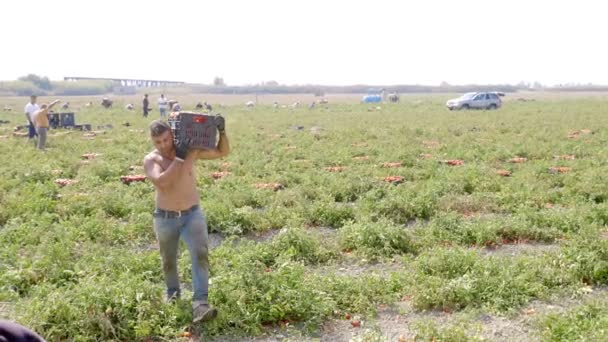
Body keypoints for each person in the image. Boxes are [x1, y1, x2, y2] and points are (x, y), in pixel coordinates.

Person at [143, 116, 230, 323]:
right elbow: (162, 183)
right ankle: (173, 295)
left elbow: (222, 151)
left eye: (166, 139)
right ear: (153, 141)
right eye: (158, 142)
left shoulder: (191, 151)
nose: (163, 145)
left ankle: (200, 304)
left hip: (192, 214)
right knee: (168, 261)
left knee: (200, 256)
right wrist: (179, 159)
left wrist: (222, 131)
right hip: (166, 218)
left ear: (172, 135)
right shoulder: (151, 160)